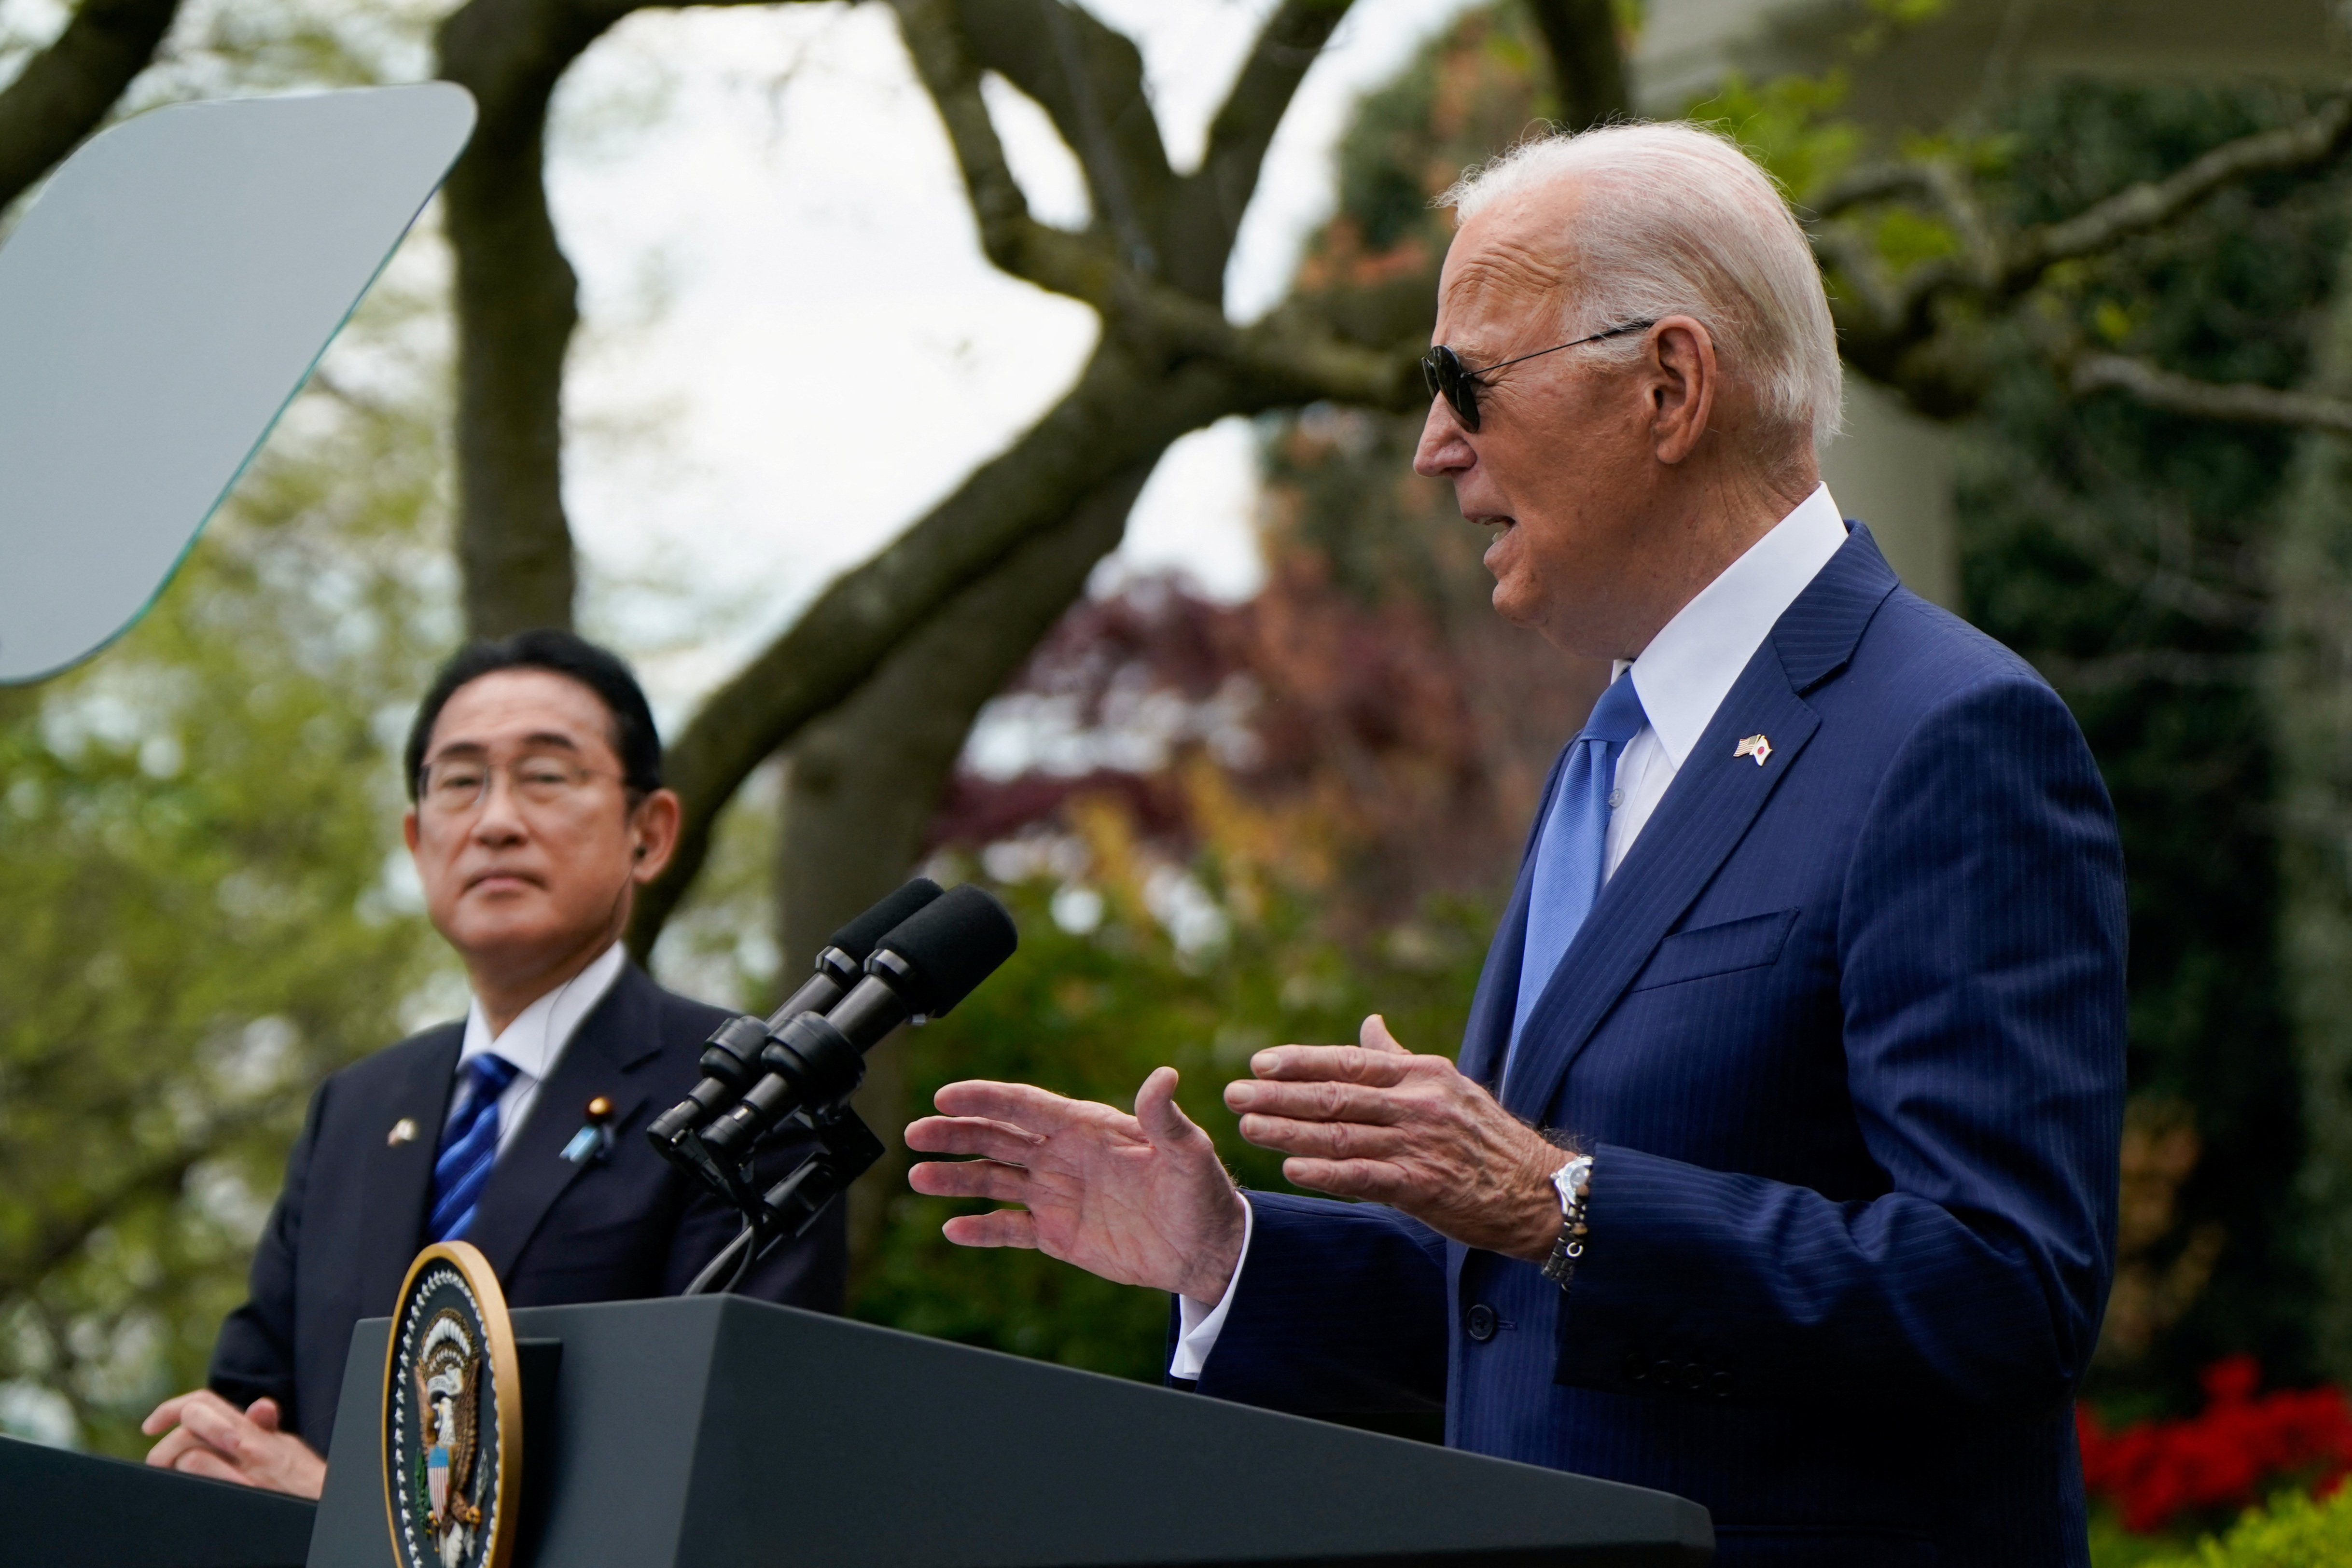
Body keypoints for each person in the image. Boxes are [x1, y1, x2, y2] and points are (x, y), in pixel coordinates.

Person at [905, 122, 2124, 1566]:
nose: (1432, 446)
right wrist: (1226, 1254)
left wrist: (1557, 1200)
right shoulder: (1609, 754)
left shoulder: (1950, 735)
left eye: (1464, 381)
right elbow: (1519, 1309)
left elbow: (2001, 1295)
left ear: (1668, 386)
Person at [141, 630, 845, 1498]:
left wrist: (346, 1508)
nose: (497, 820)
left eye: (547, 776)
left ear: (650, 832)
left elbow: (721, 1465)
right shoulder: (356, 1110)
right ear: (416, 837)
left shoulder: (745, 1098)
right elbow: (248, 1420)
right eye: (461, 782)